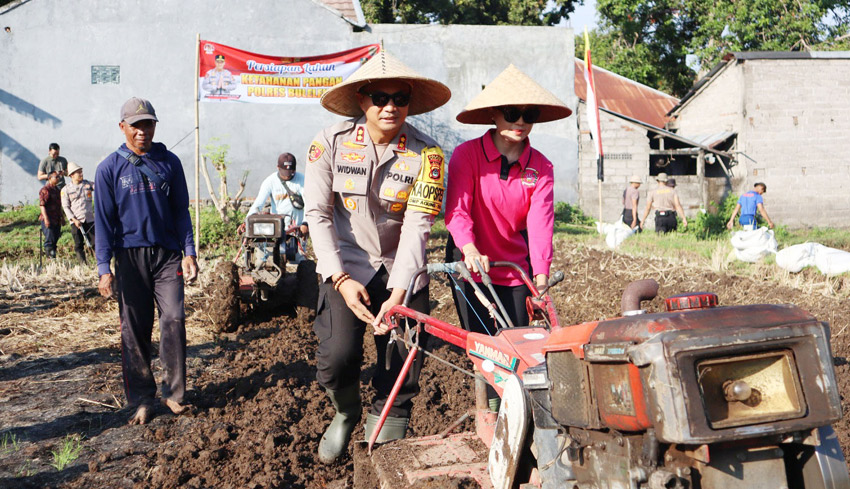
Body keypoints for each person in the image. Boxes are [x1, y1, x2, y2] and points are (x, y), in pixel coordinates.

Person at [304, 50, 451, 463]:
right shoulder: (328, 144)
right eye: (379, 97)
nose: (390, 106)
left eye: (400, 98)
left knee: (403, 359)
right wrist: (339, 278)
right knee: (337, 356)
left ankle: (385, 439)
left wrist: (400, 290)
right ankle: (346, 411)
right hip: (346, 265)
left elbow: (418, 225)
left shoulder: (429, 156)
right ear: (361, 100)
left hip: (401, 266)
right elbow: (316, 214)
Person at [94, 97, 199, 425]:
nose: (142, 131)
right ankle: (141, 398)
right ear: (122, 127)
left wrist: (189, 252)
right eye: (136, 125)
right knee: (134, 330)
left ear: (155, 125)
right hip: (129, 257)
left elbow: (181, 211)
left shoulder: (170, 163)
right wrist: (103, 268)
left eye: (148, 124)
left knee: (174, 318)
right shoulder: (109, 169)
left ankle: (174, 393)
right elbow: (103, 221)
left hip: (167, 257)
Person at [61, 162, 96, 265]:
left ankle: (100, 263)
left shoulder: (88, 185)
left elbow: (100, 187)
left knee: (96, 243)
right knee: (78, 244)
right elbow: (66, 207)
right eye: (78, 173)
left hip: (89, 220)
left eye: (81, 172)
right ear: (72, 175)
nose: (81, 174)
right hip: (76, 221)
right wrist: (73, 219)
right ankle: (83, 264)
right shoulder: (66, 190)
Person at [38, 171, 64, 258]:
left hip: (56, 218)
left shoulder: (57, 190)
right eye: (55, 177)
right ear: (49, 178)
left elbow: (59, 205)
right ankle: (49, 258)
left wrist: (62, 217)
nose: (58, 179)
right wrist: (46, 219)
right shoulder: (45, 190)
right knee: (49, 240)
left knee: (55, 239)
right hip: (49, 219)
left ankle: (53, 257)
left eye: (58, 177)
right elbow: (42, 205)